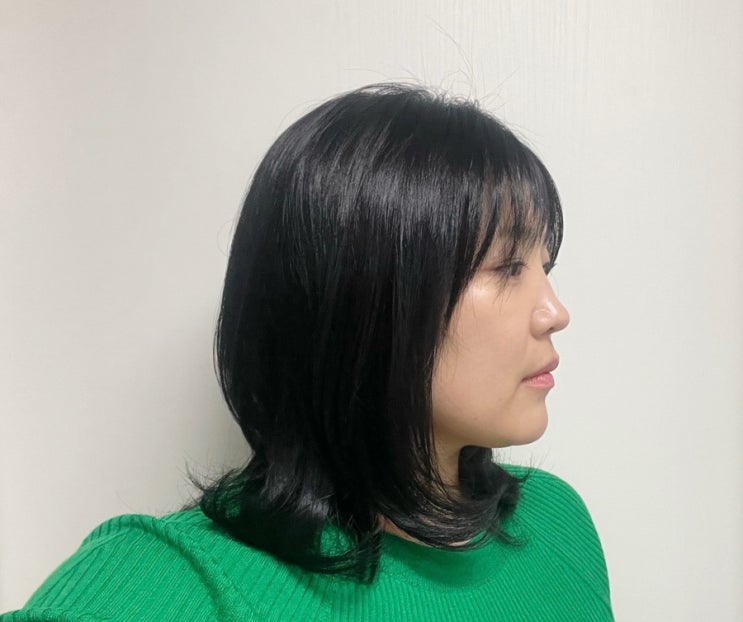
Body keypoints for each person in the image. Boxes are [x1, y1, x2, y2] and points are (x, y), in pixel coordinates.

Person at [1, 83, 613, 621]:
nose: (555, 311)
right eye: (507, 266)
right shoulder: (181, 582)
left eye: (546, 266)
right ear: (360, 295)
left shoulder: (556, 524)